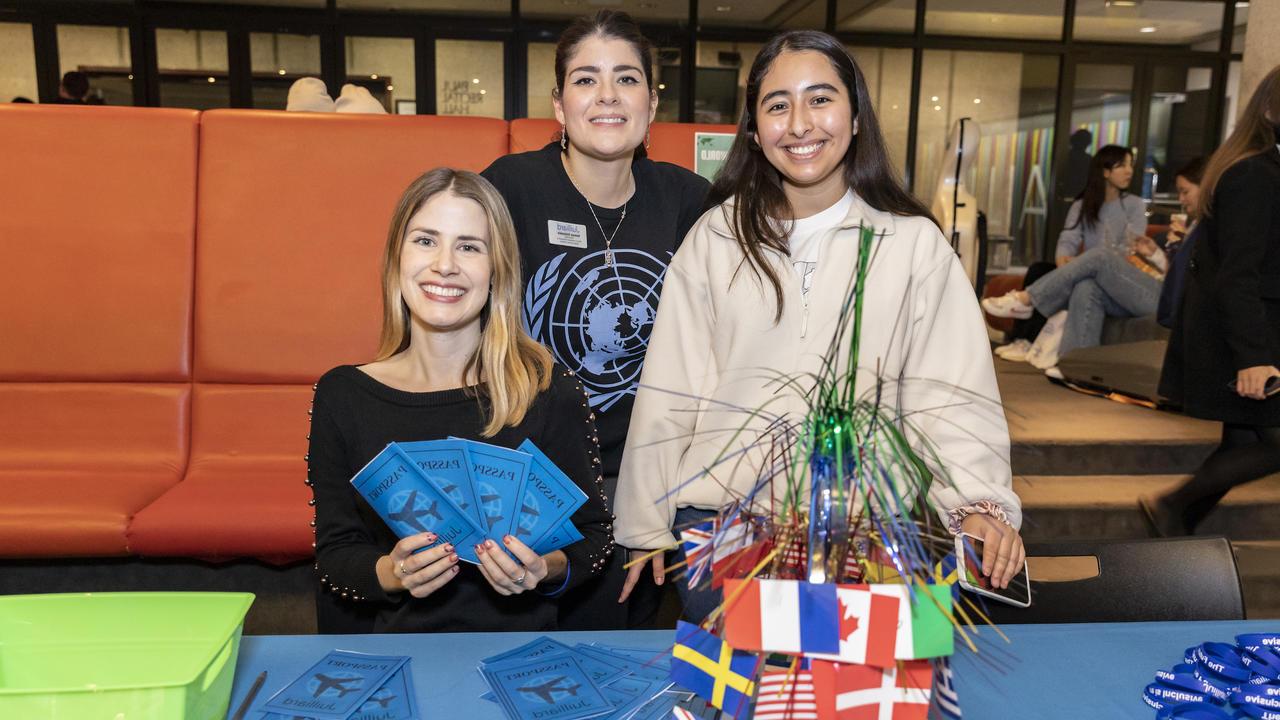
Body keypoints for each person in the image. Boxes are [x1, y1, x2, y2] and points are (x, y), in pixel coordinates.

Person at [613, 30, 1025, 623]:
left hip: (871, 534)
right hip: (726, 531)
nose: (800, 123)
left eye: (820, 98)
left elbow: (951, 392)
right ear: (755, 130)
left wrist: (977, 501)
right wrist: (645, 520)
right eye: (777, 104)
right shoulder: (715, 237)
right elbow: (672, 388)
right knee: (741, 703)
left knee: (869, 703)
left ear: (856, 116)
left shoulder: (911, 243)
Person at [307, 168, 613, 633]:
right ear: (396, 257)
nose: (445, 264)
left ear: (497, 270)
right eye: (425, 241)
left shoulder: (547, 390)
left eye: (469, 246)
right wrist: (394, 572)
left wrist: (543, 568)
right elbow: (335, 556)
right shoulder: (342, 395)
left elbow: (594, 540)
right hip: (399, 656)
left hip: (521, 658)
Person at [482, 10, 710, 630]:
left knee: (611, 661)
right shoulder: (510, 189)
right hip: (531, 471)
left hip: (639, 477)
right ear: (558, 105)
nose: (607, 95)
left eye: (627, 79)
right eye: (586, 80)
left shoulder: (689, 200)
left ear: (652, 102)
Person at [1142, 65, 1280, 536]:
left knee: (1244, 441)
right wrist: (1254, 357)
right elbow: (1236, 275)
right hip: (1246, 336)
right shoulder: (1254, 175)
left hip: (1256, 332)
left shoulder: (1264, 171)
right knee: (1272, 442)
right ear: (1268, 109)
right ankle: (1172, 507)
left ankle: (1174, 524)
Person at [983, 146, 1161, 374]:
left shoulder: (1135, 205)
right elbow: (1068, 238)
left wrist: (1084, 264)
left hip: (1120, 273)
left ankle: (1026, 299)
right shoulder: (1083, 205)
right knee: (1064, 276)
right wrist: (1063, 260)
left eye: (1130, 165)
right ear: (1105, 172)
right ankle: (1074, 364)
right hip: (1089, 269)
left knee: (1098, 258)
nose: (1129, 171)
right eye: (1122, 165)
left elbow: (1132, 246)